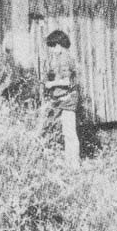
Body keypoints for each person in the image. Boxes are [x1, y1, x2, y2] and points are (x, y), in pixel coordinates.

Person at [43, 29, 80, 168]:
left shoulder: (65, 58)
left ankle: (74, 163)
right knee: (67, 131)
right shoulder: (63, 57)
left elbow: (67, 82)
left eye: (52, 47)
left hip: (68, 99)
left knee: (70, 132)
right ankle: (69, 161)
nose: (51, 50)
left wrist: (51, 84)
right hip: (64, 99)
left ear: (59, 45)